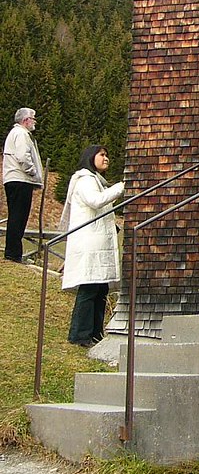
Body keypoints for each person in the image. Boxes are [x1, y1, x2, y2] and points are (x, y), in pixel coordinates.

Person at [61, 145, 125, 348]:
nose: (106, 159)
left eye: (107, 155)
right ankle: (80, 334)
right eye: (102, 155)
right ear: (91, 157)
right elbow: (95, 202)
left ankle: (95, 333)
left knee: (100, 289)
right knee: (89, 289)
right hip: (89, 244)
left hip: (97, 243)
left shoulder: (96, 181)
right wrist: (121, 187)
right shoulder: (85, 181)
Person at [3, 107, 43, 262]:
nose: (35, 122)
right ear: (26, 120)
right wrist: (33, 172)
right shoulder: (21, 134)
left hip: (15, 179)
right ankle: (13, 254)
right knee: (19, 216)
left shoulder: (17, 133)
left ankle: (13, 252)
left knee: (16, 216)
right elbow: (23, 156)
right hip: (20, 179)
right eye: (33, 119)